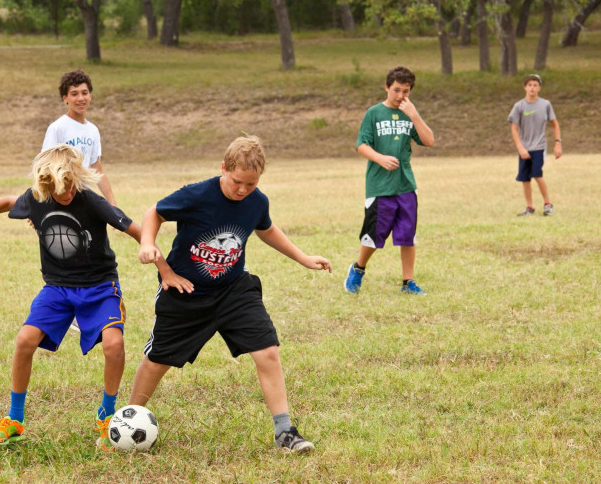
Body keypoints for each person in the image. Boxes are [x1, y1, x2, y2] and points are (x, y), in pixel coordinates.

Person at [0, 144, 174, 449]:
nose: (68, 194)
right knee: (24, 340)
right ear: (45, 185)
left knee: (114, 345)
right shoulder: (37, 198)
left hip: (99, 287)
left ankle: (106, 416)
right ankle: (14, 419)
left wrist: (163, 268)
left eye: (72, 185)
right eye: (61, 189)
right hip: (57, 288)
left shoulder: (91, 202)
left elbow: (140, 232)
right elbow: (9, 201)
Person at [128, 135, 332, 453]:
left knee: (267, 351)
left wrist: (303, 258)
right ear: (224, 168)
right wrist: (148, 245)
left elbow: (266, 228)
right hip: (188, 292)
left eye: (251, 185)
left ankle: (285, 432)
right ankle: (128, 422)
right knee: (157, 361)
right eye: (237, 182)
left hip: (235, 290)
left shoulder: (256, 201)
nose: (242, 191)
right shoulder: (196, 195)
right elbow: (154, 213)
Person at [344, 66, 435, 296]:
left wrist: (414, 115)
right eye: (396, 90)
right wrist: (380, 158)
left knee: (407, 236)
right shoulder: (374, 113)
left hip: (405, 185)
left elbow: (429, 140)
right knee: (374, 236)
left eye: (405, 91)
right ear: (386, 87)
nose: (400, 96)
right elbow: (361, 145)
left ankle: (408, 282)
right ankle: (358, 268)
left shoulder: (409, 112)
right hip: (380, 186)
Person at [43, 69, 116, 206]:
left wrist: (112, 202)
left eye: (84, 93)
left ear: (90, 96)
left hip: (83, 199)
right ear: (65, 98)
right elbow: (44, 169)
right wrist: (39, 206)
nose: (81, 98)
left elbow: (96, 169)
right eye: (74, 94)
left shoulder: (93, 130)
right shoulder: (58, 128)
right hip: (61, 199)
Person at [508, 74, 562, 217]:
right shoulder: (519, 106)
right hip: (524, 148)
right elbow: (514, 128)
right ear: (525, 87)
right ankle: (529, 207)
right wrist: (520, 147)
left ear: (539, 88)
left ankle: (548, 204)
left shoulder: (545, 104)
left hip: (539, 147)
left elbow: (555, 124)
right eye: (529, 85)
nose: (532, 88)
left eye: (535, 85)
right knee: (525, 178)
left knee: (537, 174)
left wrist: (558, 143)